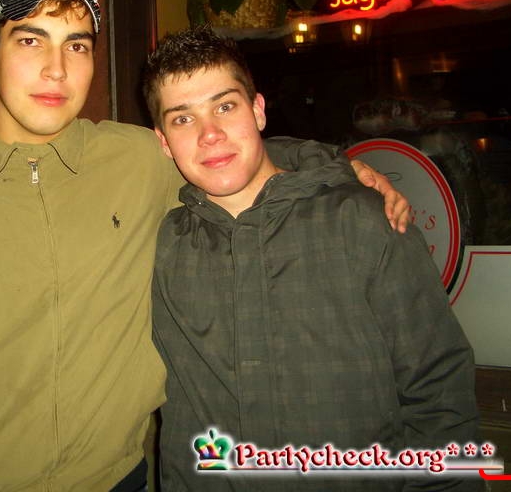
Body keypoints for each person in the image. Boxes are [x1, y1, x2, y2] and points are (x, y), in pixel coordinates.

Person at [0, 0, 408, 491]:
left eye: (77, 46)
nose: (56, 69)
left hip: (118, 479)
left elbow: (225, 152)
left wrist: (334, 168)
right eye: (31, 40)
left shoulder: (136, 159)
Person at [141, 25, 480, 491]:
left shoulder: (363, 222)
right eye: (183, 119)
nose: (210, 134)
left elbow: (438, 390)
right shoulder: (161, 245)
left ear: (258, 110)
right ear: (163, 142)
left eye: (225, 106)